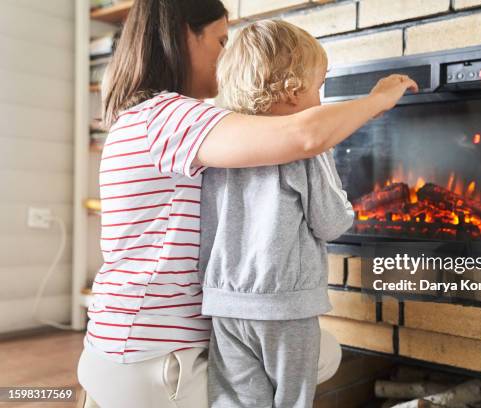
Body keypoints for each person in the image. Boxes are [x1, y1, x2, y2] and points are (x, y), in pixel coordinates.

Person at [76, 0, 418, 407]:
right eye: (221, 40)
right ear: (187, 34)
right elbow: (305, 137)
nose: (226, 55)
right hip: (156, 361)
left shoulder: (141, 118)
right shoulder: (169, 116)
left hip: (117, 346)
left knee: (307, 351)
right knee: (320, 354)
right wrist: (379, 99)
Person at [199, 20, 356, 407]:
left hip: (225, 303)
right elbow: (331, 222)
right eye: (319, 87)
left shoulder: (220, 146)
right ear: (292, 91)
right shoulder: (306, 146)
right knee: (291, 399)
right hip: (285, 303)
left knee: (236, 399)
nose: (320, 100)